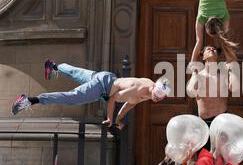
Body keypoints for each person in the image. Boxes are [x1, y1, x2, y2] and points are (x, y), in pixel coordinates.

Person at [11, 60, 171, 129]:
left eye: (158, 98)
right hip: (102, 87)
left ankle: (53, 66)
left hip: (106, 77)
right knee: (72, 98)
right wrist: (110, 118)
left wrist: (118, 119)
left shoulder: (150, 86)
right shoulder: (138, 91)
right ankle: (32, 100)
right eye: (155, 95)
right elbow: (114, 98)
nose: (155, 99)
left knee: (76, 72)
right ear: (152, 89)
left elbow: (129, 105)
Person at [186, 44, 239, 149]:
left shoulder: (223, 75)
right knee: (204, 158)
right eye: (208, 49)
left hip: (221, 123)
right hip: (203, 124)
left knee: (220, 159)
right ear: (203, 56)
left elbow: (235, 88)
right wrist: (194, 72)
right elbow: (191, 91)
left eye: (214, 49)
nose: (211, 49)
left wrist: (232, 70)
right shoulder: (199, 75)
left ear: (218, 56)